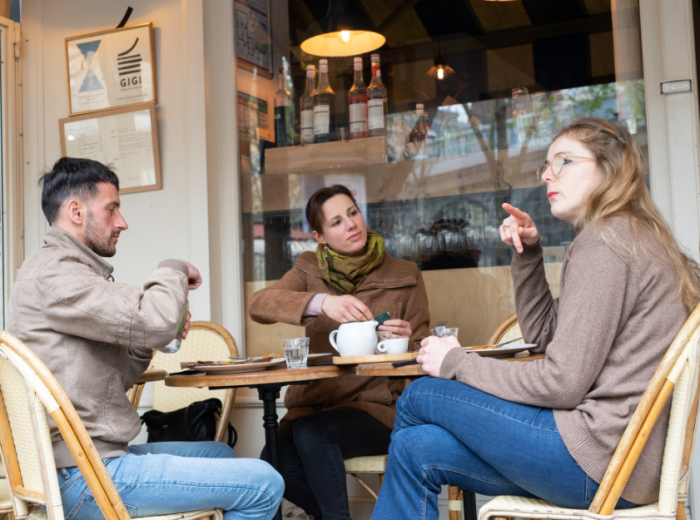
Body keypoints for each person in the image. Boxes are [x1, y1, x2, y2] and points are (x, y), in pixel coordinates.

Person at [371, 117, 700, 519]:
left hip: (596, 461)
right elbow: (547, 336)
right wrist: (528, 255)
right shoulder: (632, 235)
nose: (547, 174)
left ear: (609, 167)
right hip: (621, 465)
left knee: (421, 395)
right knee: (414, 449)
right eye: (546, 164)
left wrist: (457, 363)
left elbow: (562, 384)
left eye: (563, 161)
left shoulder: (605, 244)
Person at [8, 157, 283, 520]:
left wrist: (149, 340)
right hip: (84, 477)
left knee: (218, 454)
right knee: (265, 482)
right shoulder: (57, 276)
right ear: (76, 210)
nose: (122, 222)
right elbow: (155, 318)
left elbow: (113, 379)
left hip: (83, 464)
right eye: (112, 209)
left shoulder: (57, 274)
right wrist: (174, 267)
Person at [249, 184, 430, 520]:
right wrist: (322, 302)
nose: (351, 224)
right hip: (312, 405)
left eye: (353, 212)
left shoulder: (405, 274)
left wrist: (409, 339)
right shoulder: (307, 269)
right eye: (336, 222)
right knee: (273, 462)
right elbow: (259, 305)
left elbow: (424, 351)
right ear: (319, 236)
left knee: (313, 433)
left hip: (375, 409)